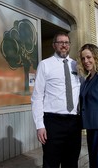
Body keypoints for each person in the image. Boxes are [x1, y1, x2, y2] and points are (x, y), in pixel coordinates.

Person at [31, 31, 82, 168]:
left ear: (69, 45)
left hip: (74, 122)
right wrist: (40, 125)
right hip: (53, 122)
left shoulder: (77, 65)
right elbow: (37, 97)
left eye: (66, 43)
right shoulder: (45, 64)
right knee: (50, 163)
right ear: (54, 45)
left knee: (71, 163)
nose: (63, 45)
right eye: (60, 42)